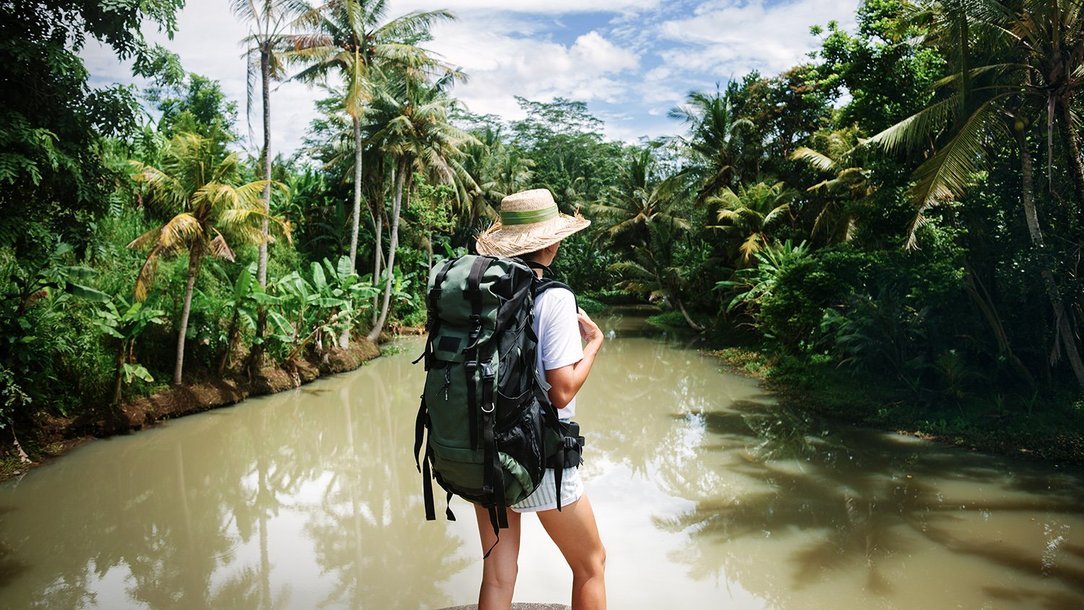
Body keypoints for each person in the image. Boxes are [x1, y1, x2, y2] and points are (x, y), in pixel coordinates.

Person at [473, 188, 607, 610]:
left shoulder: (480, 292)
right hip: (540, 452)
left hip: (483, 446)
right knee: (591, 564)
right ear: (552, 242)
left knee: (497, 575)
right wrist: (594, 346)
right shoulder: (555, 297)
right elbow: (562, 388)